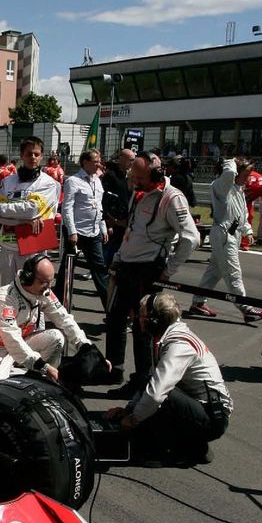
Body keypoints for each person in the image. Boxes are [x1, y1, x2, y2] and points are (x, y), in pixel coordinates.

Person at [106, 151, 200, 394]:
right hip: (126, 266)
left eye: (139, 176)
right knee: (115, 320)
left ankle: (142, 381)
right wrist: (118, 258)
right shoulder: (139, 193)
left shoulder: (171, 197)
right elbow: (133, 230)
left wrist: (168, 270)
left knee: (142, 328)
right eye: (133, 176)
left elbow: (191, 238)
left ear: (157, 173)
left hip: (147, 271)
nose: (134, 181)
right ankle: (112, 369)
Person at [107, 291, 232, 466]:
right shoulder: (166, 336)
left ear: (153, 320)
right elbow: (150, 382)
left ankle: (190, 449)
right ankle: (185, 443)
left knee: (161, 397)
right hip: (199, 406)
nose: (137, 319)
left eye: (141, 315)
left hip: (212, 419)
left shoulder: (178, 346)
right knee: (149, 385)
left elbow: (157, 393)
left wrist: (133, 419)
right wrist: (128, 410)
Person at [0, 251, 92, 382]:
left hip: (24, 341)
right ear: (28, 278)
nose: (49, 287)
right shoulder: (4, 300)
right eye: (44, 282)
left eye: (51, 281)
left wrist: (86, 347)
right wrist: (43, 366)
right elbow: (12, 340)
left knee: (56, 337)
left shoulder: (43, 292)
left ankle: (40, 381)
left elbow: (63, 318)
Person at [187, 156, 262, 326]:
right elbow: (230, 172)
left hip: (232, 235)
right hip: (224, 235)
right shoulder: (221, 186)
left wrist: (247, 230)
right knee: (233, 273)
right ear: (235, 172)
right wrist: (231, 161)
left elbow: (242, 213)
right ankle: (246, 309)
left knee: (213, 272)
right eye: (245, 174)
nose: (248, 178)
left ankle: (198, 303)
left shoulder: (238, 189)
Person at [0, 137, 60, 285]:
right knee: (7, 290)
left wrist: (5, 210)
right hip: (7, 243)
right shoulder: (8, 181)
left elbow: (31, 210)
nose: (32, 157)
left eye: (36, 154)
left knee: (30, 289)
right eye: (29, 154)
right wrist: (24, 219)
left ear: (42, 156)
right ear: (22, 155)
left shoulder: (48, 183)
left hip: (33, 243)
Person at [61, 148, 109, 306]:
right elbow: (67, 208)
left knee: (99, 269)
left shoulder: (97, 180)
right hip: (77, 232)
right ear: (85, 162)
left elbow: (99, 205)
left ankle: (110, 306)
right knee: (67, 269)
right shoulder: (73, 181)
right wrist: (72, 231)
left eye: (99, 161)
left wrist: (102, 227)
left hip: (93, 231)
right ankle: (60, 299)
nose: (99, 164)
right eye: (95, 161)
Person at [101, 147, 136, 266]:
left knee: (119, 249)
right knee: (108, 248)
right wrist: (108, 218)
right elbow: (104, 198)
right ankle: (101, 270)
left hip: (124, 219)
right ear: (122, 159)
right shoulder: (111, 175)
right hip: (112, 219)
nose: (133, 162)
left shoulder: (130, 176)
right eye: (131, 160)